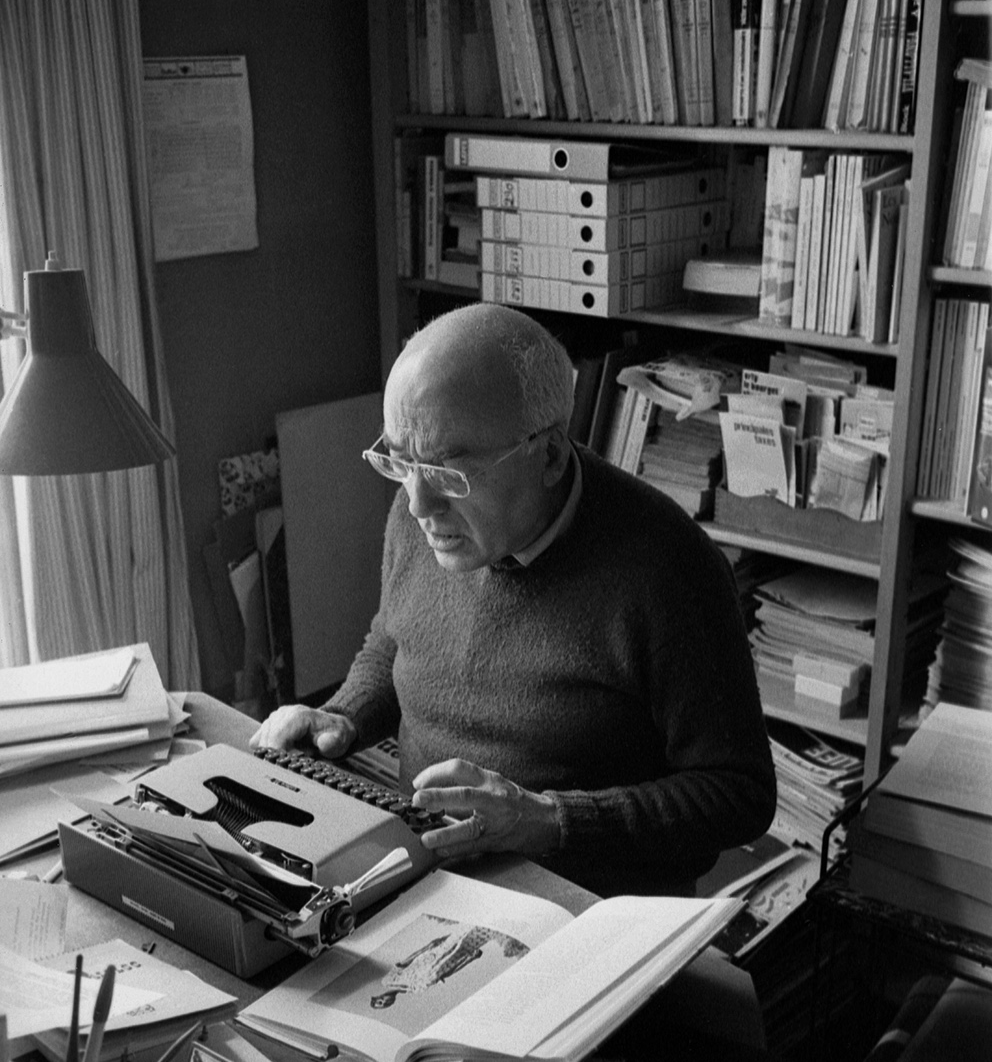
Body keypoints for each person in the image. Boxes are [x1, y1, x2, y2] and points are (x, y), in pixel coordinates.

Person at [250, 302, 776, 898]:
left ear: (548, 454)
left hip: (581, 902)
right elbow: (396, 635)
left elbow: (739, 793)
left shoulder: (669, 568)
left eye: (449, 470)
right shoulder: (420, 507)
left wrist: (546, 820)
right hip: (428, 871)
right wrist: (342, 717)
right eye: (399, 459)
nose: (418, 503)